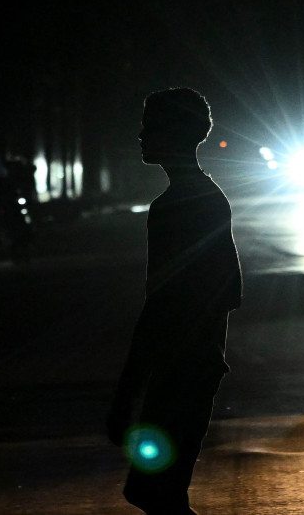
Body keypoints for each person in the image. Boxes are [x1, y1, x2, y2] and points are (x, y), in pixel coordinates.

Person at [106, 87, 242, 515]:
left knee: (153, 492)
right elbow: (229, 289)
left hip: (181, 368)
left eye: (150, 126)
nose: (141, 135)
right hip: (195, 364)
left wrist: (129, 389)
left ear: (174, 132)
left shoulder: (174, 206)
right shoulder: (207, 197)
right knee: (159, 491)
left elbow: (161, 302)